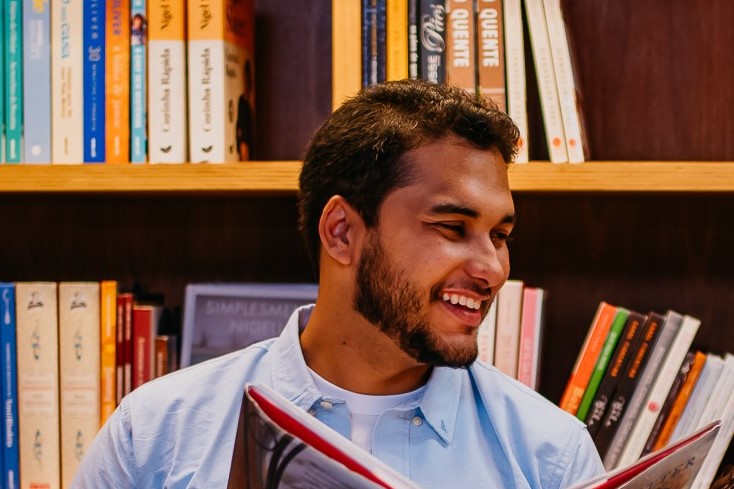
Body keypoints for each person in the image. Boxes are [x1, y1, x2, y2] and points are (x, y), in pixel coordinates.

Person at [72, 79, 605, 488]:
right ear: (342, 232)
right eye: (452, 228)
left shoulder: (550, 458)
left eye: (500, 234)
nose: (492, 268)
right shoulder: (156, 434)